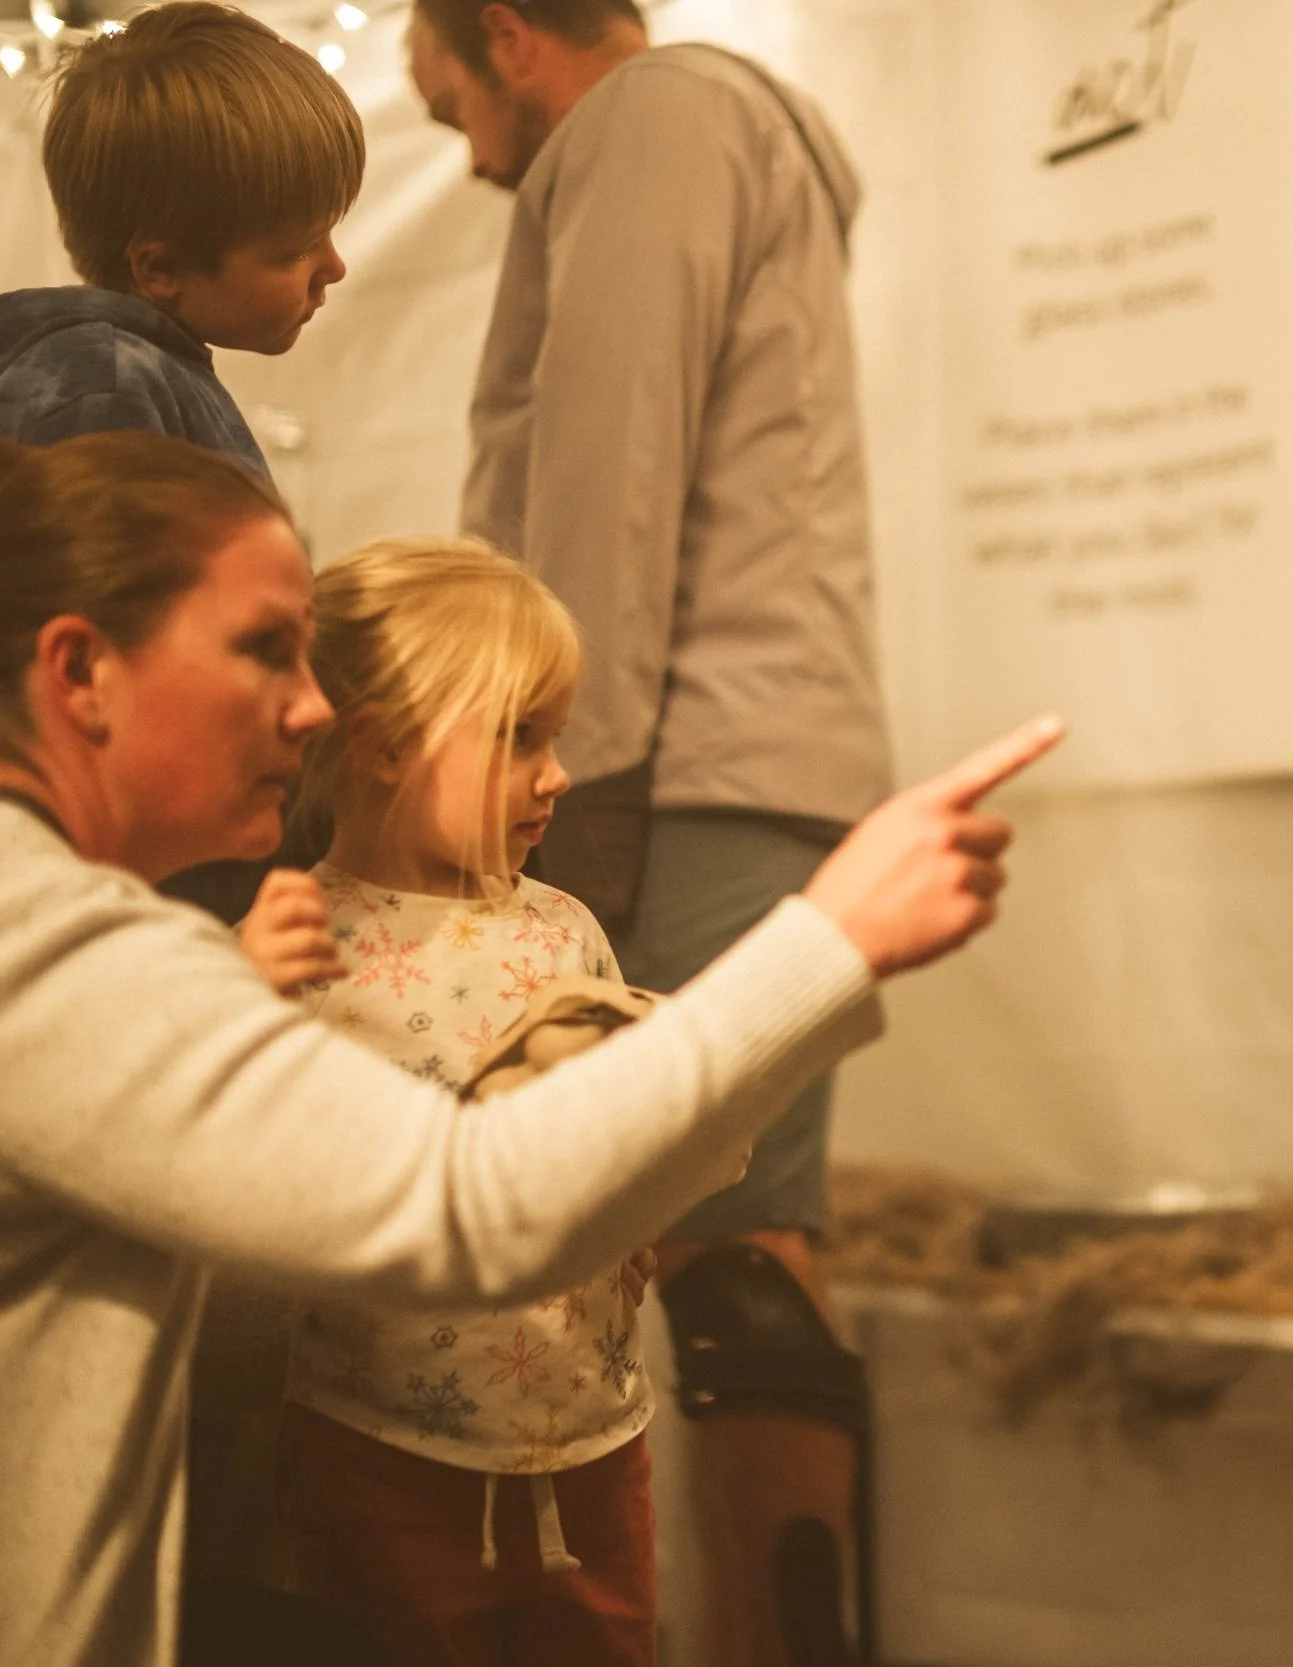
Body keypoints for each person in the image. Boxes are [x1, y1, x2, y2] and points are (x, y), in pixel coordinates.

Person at [0, 426, 1062, 1667]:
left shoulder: (105, 933)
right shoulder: (61, 948)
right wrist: (828, 937)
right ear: (80, 672)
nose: (312, 707)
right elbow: (461, 1209)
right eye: (260, 651)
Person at [407, 4, 893, 1656]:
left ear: (500, 36)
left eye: (450, 106)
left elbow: (604, 487)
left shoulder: (648, 125)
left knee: (721, 1246)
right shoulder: (712, 131)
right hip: (727, 765)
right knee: (740, 1243)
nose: (472, 159)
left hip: (675, 770)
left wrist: (551, 817)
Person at [276, 538, 660, 1666]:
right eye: (517, 737)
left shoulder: (563, 925)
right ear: (383, 743)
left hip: (585, 1420)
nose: (555, 774)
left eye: (555, 736)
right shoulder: (301, 935)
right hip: (380, 1433)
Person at [0, 0, 361, 923]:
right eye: (295, 249)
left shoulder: (150, 370)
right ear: (159, 268)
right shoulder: (99, 382)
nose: (334, 268)